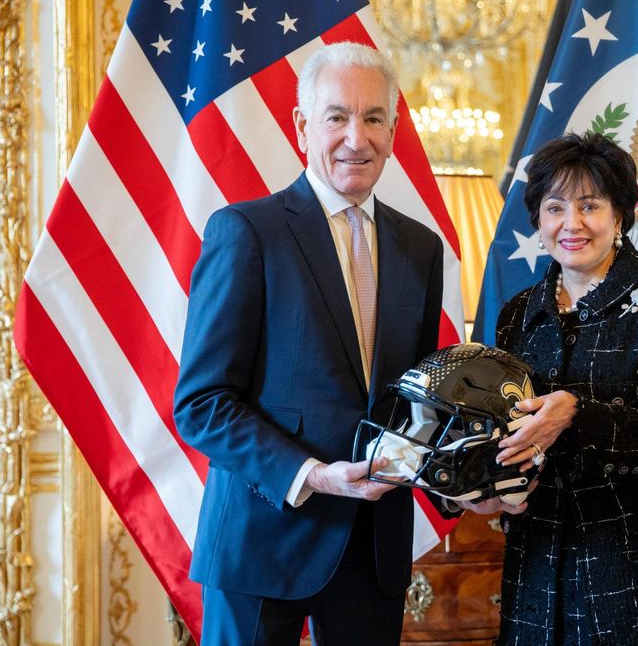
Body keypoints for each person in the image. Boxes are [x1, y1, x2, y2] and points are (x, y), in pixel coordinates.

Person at [173, 42, 444, 646]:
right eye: (337, 117)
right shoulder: (246, 232)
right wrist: (314, 475)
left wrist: (462, 478)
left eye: (374, 118)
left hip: (373, 549)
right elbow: (202, 403)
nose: (357, 137)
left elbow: (416, 402)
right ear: (301, 126)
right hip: (262, 538)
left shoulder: (420, 249)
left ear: (394, 130)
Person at [463, 132, 638, 644]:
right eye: (555, 207)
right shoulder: (518, 313)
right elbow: (501, 431)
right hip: (540, 551)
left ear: (620, 214)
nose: (571, 224)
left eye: (589, 206)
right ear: (537, 221)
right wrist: (481, 488)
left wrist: (577, 416)